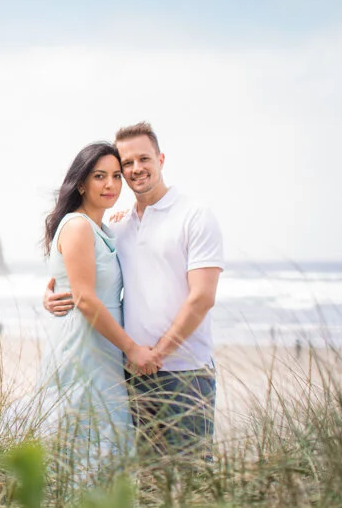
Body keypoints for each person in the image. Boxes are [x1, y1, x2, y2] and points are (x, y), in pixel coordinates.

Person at [44, 122, 224, 458]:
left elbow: (202, 298)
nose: (135, 169)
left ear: (161, 159)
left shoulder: (194, 216)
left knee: (189, 480)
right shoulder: (118, 226)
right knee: (143, 481)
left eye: (144, 159)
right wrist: (53, 293)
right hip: (131, 374)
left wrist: (157, 354)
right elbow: (85, 275)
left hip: (184, 372)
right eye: (127, 164)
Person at [35, 141, 163, 471]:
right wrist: (132, 349)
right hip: (84, 349)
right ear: (81, 183)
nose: (110, 184)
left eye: (117, 176)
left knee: (100, 449)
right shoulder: (78, 226)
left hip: (101, 351)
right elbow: (87, 300)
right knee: (86, 447)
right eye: (99, 176)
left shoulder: (102, 227)